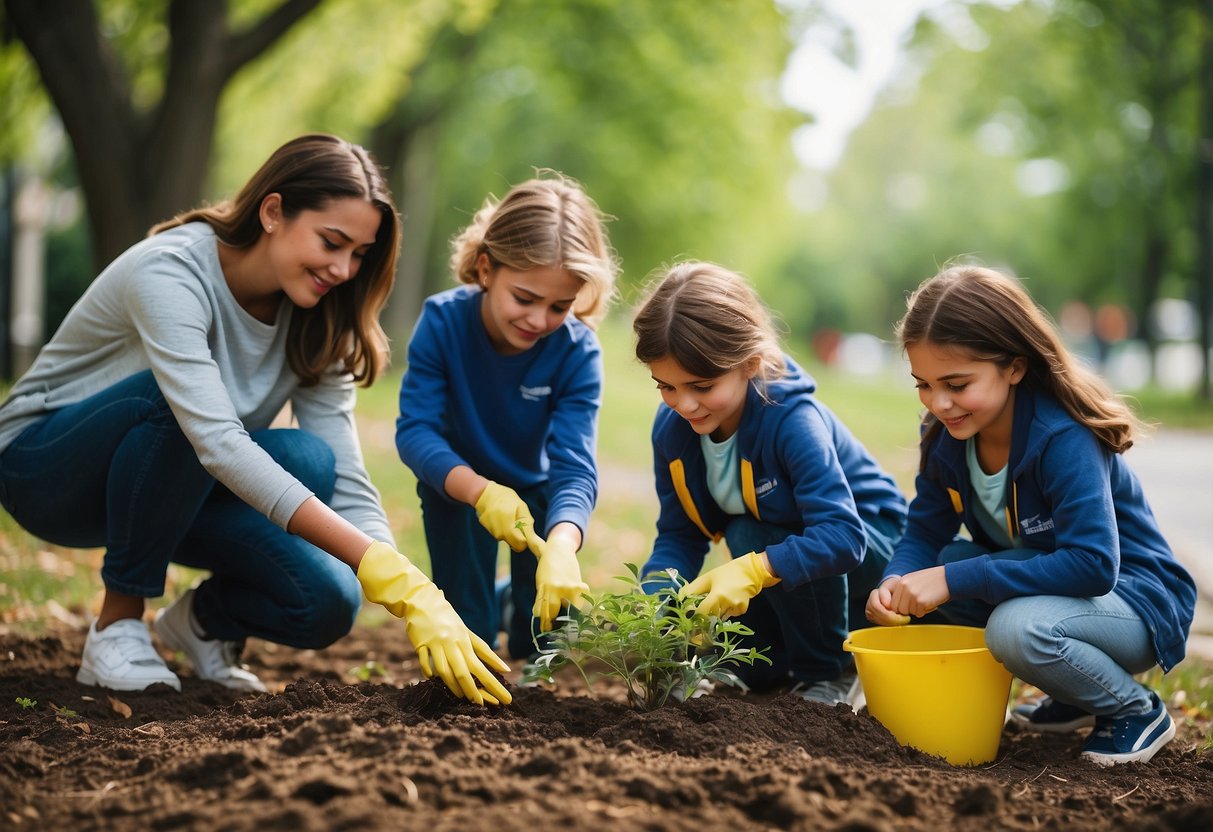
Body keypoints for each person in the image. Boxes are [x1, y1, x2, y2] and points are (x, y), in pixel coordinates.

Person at [0, 134, 510, 706]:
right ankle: (116, 625)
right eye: (331, 242)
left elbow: (341, 469)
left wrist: (409, 586)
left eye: (359, 253)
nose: (344, 269)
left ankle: (202, 624)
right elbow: (215, 440)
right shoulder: (171, 272)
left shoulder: (320, 317)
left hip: (165, 486)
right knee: (175, 403)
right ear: (273, 212)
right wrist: (389, 572)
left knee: (326, 586)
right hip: (45, 469)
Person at [866, 263, 1196, 765]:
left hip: (1133, 600)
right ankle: (1071, 695)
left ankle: (1135, 709)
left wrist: (954, 579)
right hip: (1060, 594)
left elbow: (1092, 565)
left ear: (1014, 367)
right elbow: (926, 528)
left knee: (1014, 627)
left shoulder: (1062, 437)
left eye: (956, 383)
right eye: (924, 384)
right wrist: (895, 581)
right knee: (946, 560)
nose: (939, 402)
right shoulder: (944, 435)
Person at [633, 261, 908, 705]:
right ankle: (771, 664)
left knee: (759, 533)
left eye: (702, 386)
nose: (683, 404)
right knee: (750, 546)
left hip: (875, 553)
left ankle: (833, 670)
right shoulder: (673, 431)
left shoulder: (792, 421)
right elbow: (680, 535)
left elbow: (842, 536)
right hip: (780, 546)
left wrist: (756, 568)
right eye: (665, 385)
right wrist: (654, 604)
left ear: (750, 364)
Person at [395, 174, 618, 660]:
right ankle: (482, 608)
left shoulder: (577, 352)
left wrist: (562, 543)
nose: (539, 320)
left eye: (560, 305)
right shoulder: (443, 323)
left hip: (536, 496)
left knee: (538, 644)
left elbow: (574, 467)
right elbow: (416, 431)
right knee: (471, 638)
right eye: (525, 298)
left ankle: (510, 603)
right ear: (486, 268)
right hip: (458, 487)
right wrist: (477, 489)